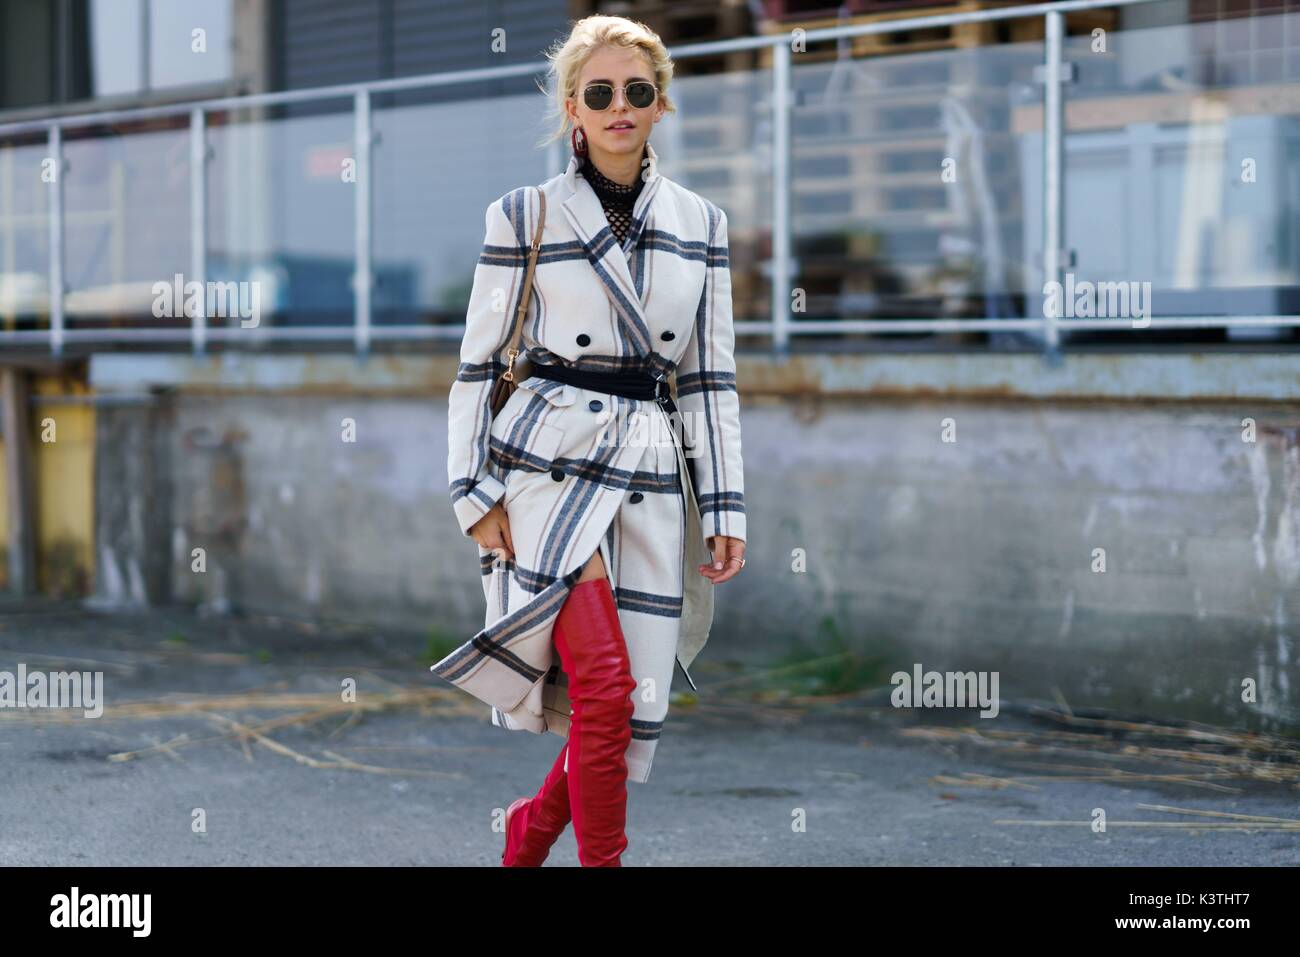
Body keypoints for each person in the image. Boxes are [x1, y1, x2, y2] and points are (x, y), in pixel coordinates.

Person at [433, 13, 747, 867]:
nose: (619, 106)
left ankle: (527, 832)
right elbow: (478, 365)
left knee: (624, 702)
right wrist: (472, 494)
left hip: (647, 467)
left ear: (660, 105)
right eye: (599, 92)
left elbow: (707, 380)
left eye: (636, 92)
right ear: (572, 107)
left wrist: (723, 504)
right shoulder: (524, 214)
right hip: (546, 467)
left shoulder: (702, 225)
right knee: (605, 685)